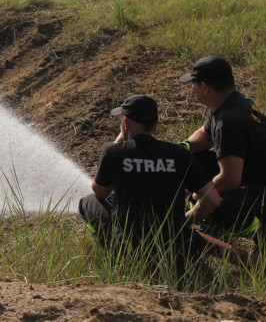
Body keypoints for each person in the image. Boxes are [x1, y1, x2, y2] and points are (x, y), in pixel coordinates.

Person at [79, 95, 220, 259]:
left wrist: (121, 139)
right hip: (175, 252)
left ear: (126, 124)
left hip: (129, 253)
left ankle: (113, 257)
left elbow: (100, 193)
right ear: (156, 125)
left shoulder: (113, 152)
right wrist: (184, 222)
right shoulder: (179, 154)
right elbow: (213, 200)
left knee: (88, 202)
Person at [179, 56, 266, 250]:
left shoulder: (229, 121)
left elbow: (230, 180)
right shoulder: (229, 103)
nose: (192, 89)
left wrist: (199, 201)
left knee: (220, 206)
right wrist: (184, 148)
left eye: (193, 84)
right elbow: (205, 133)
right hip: (264, 183)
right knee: (192, 161)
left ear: (204, 87)